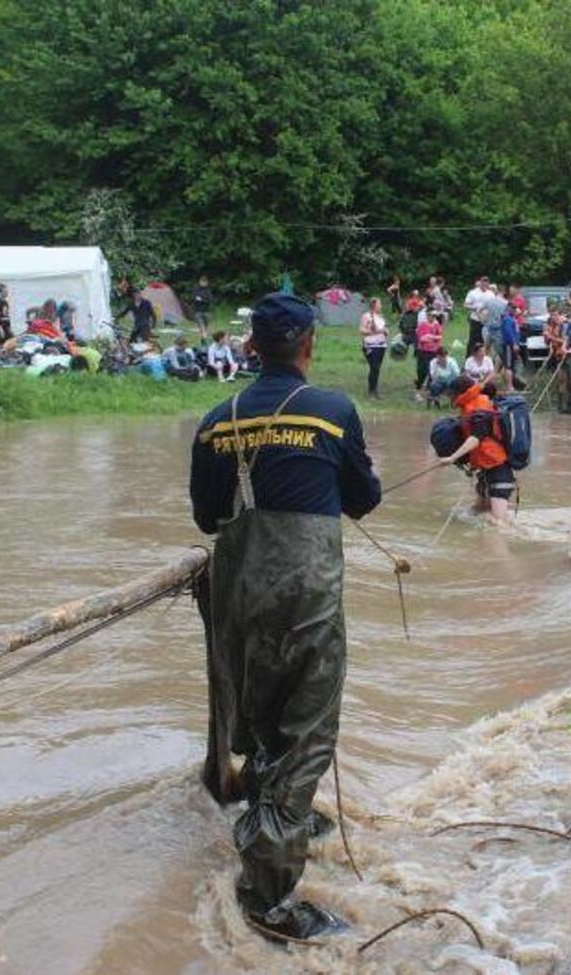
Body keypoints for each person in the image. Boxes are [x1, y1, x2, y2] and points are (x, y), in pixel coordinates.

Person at [189, 292, 381, 942]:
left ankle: (278, 815)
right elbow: (365, 496)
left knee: (263, 712)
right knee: (306, 730)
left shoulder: (219, 420)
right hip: (307, 593)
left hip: (240, 596)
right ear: (308, 347)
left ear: (251, 349)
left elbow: (207, 518)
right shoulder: (332, 412)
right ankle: (266, 899)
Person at [443, 375, 515, 525]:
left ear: (459, 393)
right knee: (477, 512)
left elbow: (476, 438)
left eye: (451, 394)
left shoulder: (479, 409)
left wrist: (452, 458)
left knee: (497, 523)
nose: (450, 398)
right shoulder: (471, 406)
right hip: (485, 470)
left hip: (499, 471)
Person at [359, 297, 388, 398]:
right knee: (374, 367)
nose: (381, 306)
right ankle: (371, 391)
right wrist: (374, 332)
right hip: (371, 346)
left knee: (377, 368)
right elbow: (362, 330)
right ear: (373, 305)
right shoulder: (366, 316)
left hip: (381, 345)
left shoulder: (381, 316)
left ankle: (374, 389)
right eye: (379, 304)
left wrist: (385, 331)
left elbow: (384, 328)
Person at [415, 301, 444, 396]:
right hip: (423, 351)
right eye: (432, 315)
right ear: (428, 315)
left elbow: (440, 337)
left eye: (435, 316)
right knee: (422, 370)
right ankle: (418, 388)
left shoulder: (436, 325)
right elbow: (422, 338)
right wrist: (433, 337)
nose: (434, 317)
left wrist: (430, 337)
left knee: (432, 370)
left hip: (434, 351)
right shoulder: (422, 325)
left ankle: (430, 388)